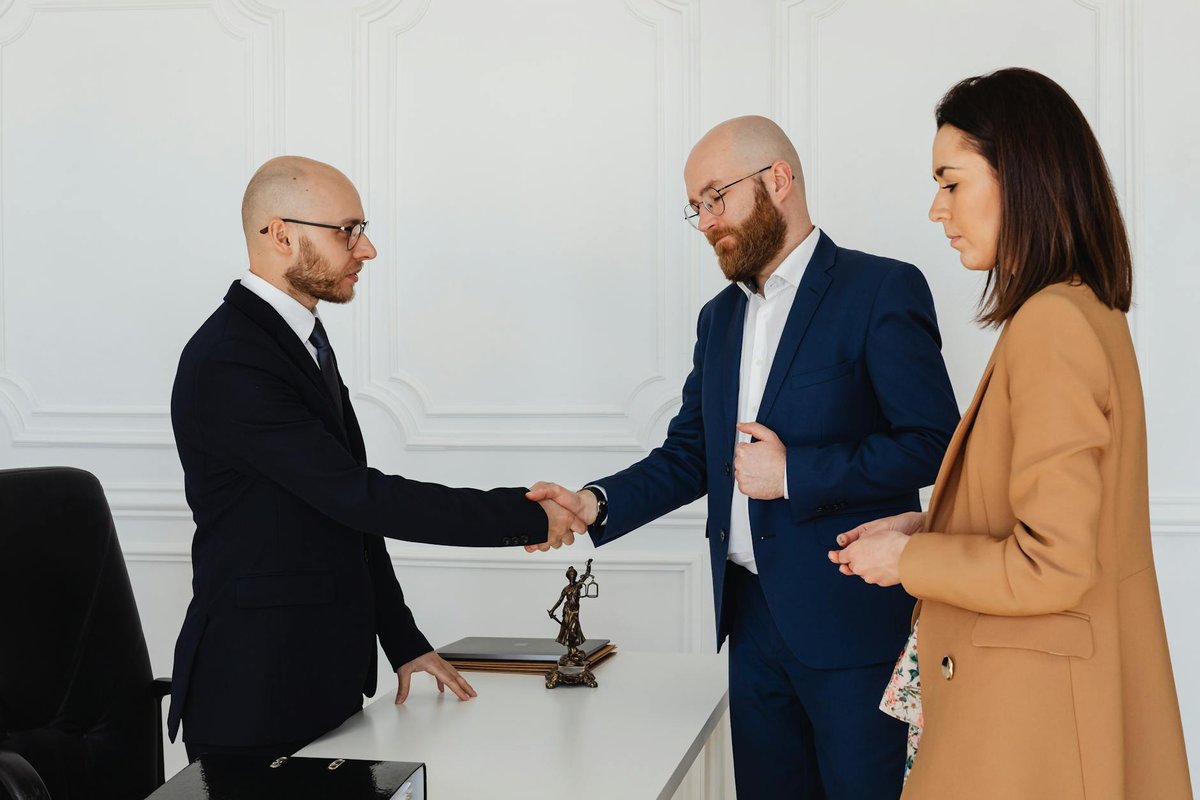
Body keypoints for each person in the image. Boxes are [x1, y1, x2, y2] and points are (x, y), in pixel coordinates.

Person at [529, 116, 960, 799]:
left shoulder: (880, 290)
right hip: (750, 625)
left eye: (715, 197)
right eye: (695, 207)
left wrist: (795, 473)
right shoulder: (719, 318)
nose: (705, 221)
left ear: (777, 181)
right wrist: (594, 503)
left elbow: (935, 442)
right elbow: (692, 453)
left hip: (852, 626)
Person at [830, 68, 1192, 798]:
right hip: (1046, 711)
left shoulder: (1051, 325)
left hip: (1030, 732)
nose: (937, 209)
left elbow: (1054, 565)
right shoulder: (1087, 311)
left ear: (1021, 176)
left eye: (951, 181)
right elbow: (1064, 519)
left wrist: (912, 559)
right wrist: (933, 524)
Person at [168, 156, 583, 761]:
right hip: (254, 696)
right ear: (281, 234)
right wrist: (524, 514)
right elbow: (359, 495)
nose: (367, 250)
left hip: (319, 685)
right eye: (348, 231)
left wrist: (403, 639)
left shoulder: (296, 336)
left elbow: (346, 517)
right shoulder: (231, 359)